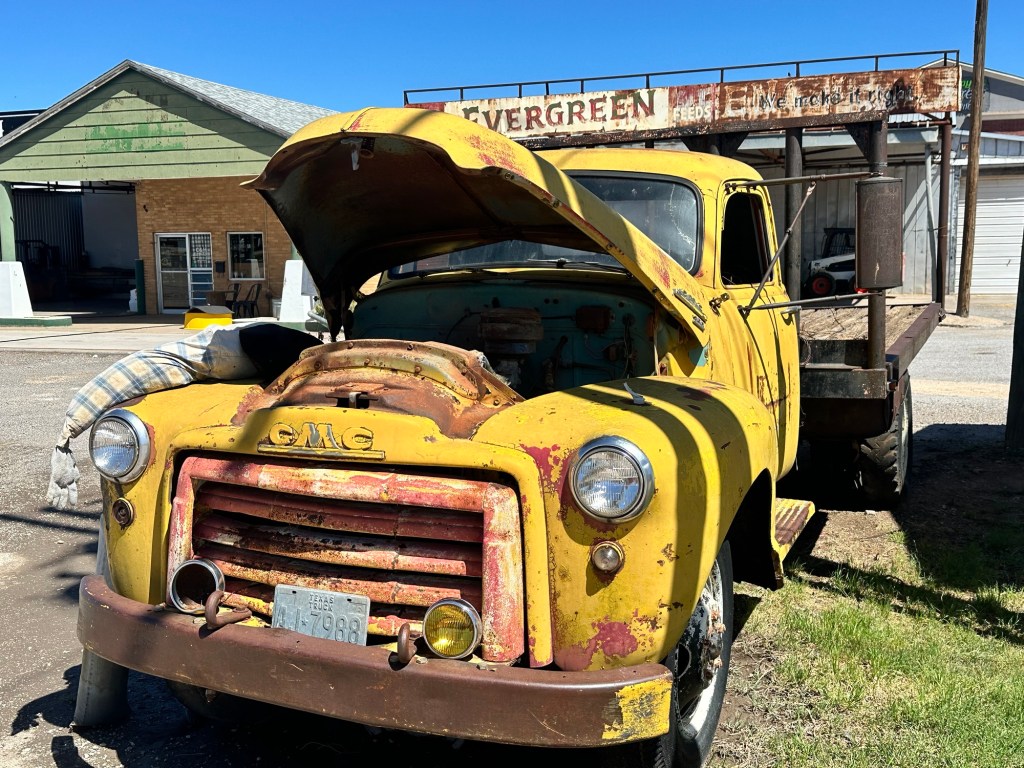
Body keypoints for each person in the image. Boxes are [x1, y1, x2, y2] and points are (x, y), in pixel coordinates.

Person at [46, 323, 321, 510]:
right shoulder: (219, 351)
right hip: (250, 346)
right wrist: (66, 435)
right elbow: (135, 374)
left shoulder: (218, 348)